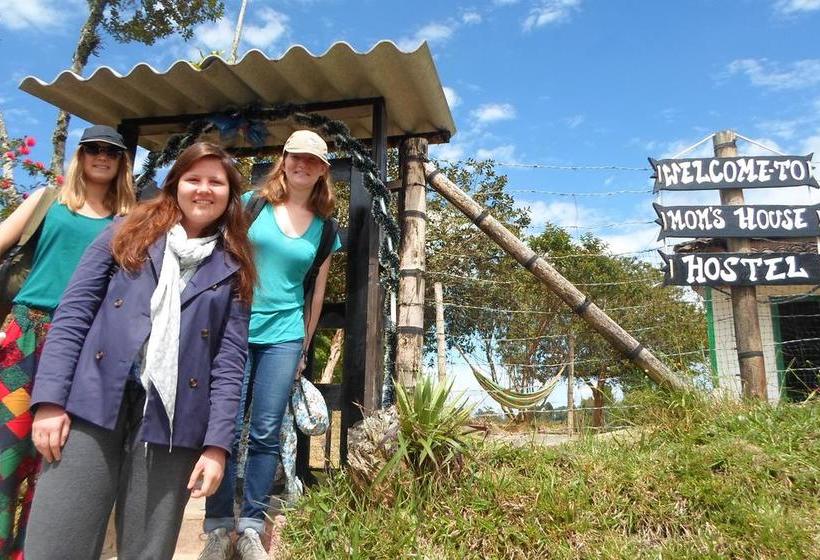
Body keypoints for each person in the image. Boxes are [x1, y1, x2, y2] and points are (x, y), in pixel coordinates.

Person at [23, 142, 256, 560]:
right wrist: (49, 401)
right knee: (57, 539)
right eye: (193, 179)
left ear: (229, 195)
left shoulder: (234, 265)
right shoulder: (126, 230)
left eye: (216, 182)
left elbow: (229, 361)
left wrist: (217, 446)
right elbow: (74, 313)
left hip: (173, 420)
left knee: (147, 549)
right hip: (93, 400)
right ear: (175, 185)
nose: (204, 190)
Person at [201, 130, 341, 560]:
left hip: (284, 337)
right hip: (234, 329)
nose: (303, 165)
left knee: (265, 432)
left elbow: (315, 291)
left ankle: (251, 525)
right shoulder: (250, 205)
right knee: (222, 426)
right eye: (296, 157)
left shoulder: (326, 230)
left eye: (313, 161)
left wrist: (304, 347)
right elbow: (218, 257)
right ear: (283, 160)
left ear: (322, 171)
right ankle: (219, 527)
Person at [0, 124, 135, 557]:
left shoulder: (129, 220)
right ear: (80, 155)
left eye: (111, 152)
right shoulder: (46, 201)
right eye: (93, 149)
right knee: (7, 450)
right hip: (27, 334)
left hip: (85, 345)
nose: (102, 156)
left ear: (121, 162)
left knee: (54, 458)